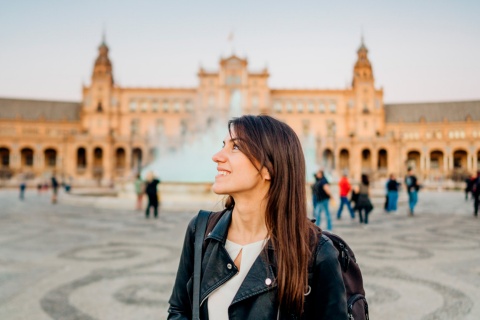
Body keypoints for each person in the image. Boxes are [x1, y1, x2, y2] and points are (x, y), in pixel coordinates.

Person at [168, 115, 347, 319]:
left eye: (235, 147)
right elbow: (179, 310)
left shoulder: (316, 252)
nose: (216, 156)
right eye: (223, 145)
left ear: (268, 168)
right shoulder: (200, 231)